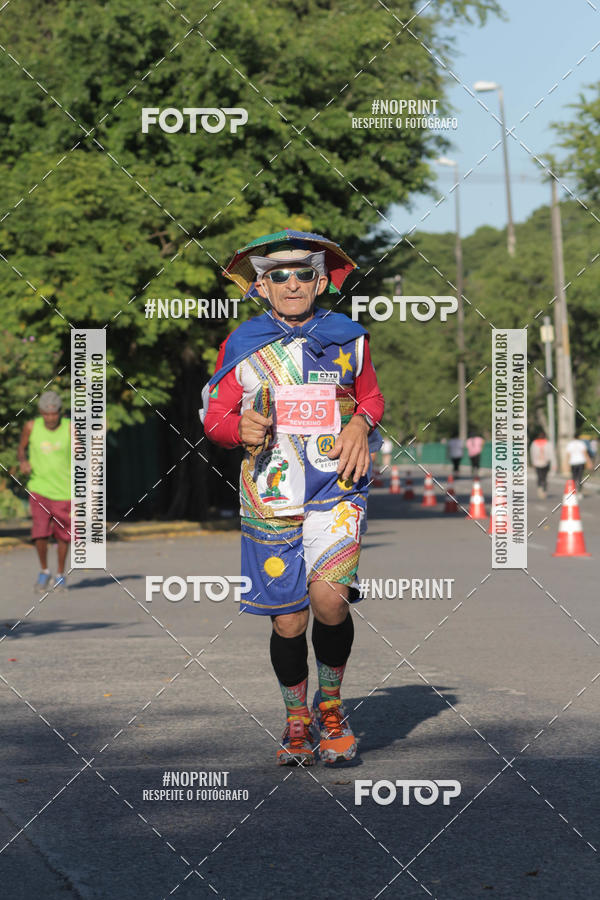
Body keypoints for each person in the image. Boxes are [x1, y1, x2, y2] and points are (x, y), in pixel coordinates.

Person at [202, 231, 384, 766]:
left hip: (337, 488)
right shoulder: (243, 343)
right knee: (288, 619)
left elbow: (370, 395)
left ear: (320, 280)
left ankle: (331, 709)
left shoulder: (348, 336)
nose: (291, 283)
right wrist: (242, 429)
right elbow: (214, 416)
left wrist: (360, 421)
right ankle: (295, 719)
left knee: (330, 600)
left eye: (303, 273)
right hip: (270, 493)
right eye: (277, 275)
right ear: (261, 285)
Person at [18, 391, 71, 591]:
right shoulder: (31, 427)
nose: (50, 418)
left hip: (64, 491)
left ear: (60, 412)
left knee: (63, 535)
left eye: (54, 413)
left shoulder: (70, 429)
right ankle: (44, 571)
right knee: (40, 532)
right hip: (38, 488)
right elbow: (21, 449)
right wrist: (23, 461)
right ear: (40, 412)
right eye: (46, 414)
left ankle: (59, 574)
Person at [529, 430, 554, 499]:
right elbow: (551, 454)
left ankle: (540, 489)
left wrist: (533, 462)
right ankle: (543, 490)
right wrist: (553, 463)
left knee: (539, 477)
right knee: (544, 477)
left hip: (537, 463)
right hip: (545, 463)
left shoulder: (534, 443)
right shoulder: (548, 443)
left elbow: (532, 454)